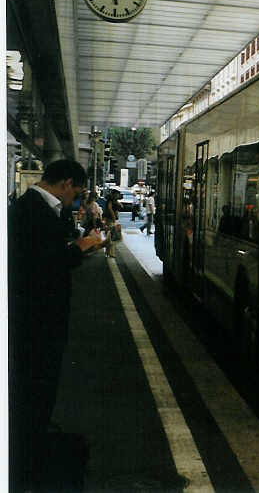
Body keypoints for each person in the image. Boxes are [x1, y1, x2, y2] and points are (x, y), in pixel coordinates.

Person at [8, 159, 103, 491]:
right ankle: (28, 462)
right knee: (36, 389)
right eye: (75, 191)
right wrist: (80, 247)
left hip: (38, 321)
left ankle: (30, 450)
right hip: (36, 323)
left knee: (37, 390)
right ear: (66, 183)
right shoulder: (32, 210)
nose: (75, 199)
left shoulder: (31, 207)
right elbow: (43, 265)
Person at [103, 189, 122, 258]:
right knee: (111, 236)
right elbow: (110, 209)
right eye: (117, 194)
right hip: (109, 219)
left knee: (109, 236)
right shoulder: (110, 200)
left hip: (110, 219)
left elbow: (120, 207)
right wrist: (114, 218)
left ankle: (108, 251)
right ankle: (110, 252)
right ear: (114, 194)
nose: (118, 195)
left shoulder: (114, 201)